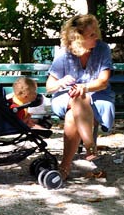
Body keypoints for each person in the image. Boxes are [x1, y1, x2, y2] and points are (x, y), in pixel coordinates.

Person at [45, 14, 115, 180]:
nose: (96, 37)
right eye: (91, 35)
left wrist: (85, 87)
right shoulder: (64, 54)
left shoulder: (102, 49)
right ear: (78, 38)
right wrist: (61, 82)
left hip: (98, 96)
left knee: (73, 112)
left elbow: (103, 82)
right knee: (77, 97)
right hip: (66, 97)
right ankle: (89, 143)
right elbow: (49, 88)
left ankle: (65, 167)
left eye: (95, 32)